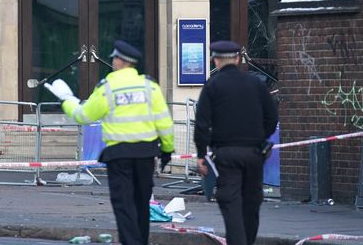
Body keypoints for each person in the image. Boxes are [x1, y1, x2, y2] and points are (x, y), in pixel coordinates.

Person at [45, 40, 174, 245]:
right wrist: (167, 150)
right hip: (145, 155)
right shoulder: (150, 87)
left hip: (120, 155)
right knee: (141, 204)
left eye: (114, 58)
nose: (113, 61)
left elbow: (84, 115)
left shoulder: (108, 87)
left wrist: (67, 100)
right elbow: (165, 123)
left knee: (124, 205)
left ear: (121, 61)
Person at [194, 40, 279, 245]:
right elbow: (272, 116)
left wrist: (201, 154)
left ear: (215, 60)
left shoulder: (212, 85)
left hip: (226, 154)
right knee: (251, 203)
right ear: (238, 59)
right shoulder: (256, 84)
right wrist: (262, 138)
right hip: (254, 154)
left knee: (231, 203)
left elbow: (202, 123)